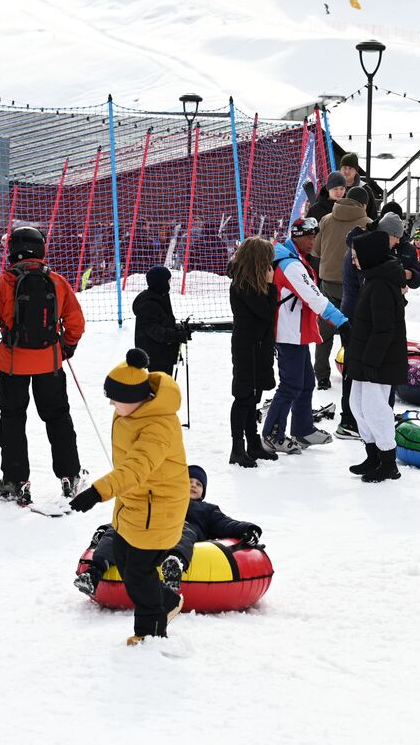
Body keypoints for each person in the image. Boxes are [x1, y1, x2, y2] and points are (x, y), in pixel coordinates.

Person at [67, 349, 190, 646]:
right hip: (135, 504)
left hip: (157, 509)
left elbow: (136, 467)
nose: (110, 403)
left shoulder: (157, 426)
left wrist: (98, 492)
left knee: (138, 574)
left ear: (135, 397)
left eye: (115, 398)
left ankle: (150, 630)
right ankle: (169, 599)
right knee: (122, 558)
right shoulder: (133, 410)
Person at [0, 226, 86, 504]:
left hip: (13, 366)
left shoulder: (5, 282)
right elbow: (76, 322)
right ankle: (70, 476)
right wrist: (68, 345)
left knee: (13, 421)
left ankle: (14, 482)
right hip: (50, 363)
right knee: (58, 418)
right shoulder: (56, 281)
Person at [77, 465, 262, 599]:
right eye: (188, 481)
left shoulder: (207, 510)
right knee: (127, 526)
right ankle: (94, 573)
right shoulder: (163, 501)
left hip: (181, 536)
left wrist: (248, 529)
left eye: (198, 484)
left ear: (203, 491)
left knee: (182, 529)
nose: (193, 485)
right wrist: (107, 528)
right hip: (154, 534)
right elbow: (138, 515)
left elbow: (227, 524)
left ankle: (174, 564)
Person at [261, 217, 348, 454]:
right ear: (295, 236)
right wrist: (342, 322)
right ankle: (272, 435)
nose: (312, 241)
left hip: (295, 332)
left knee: (306, 383)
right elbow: (315, 298)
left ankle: (303, 430)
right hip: (288, 333)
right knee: (291, 385)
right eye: (307, 236)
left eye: (314, 236)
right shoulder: (291, 265)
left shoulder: (293, 259)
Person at [343, 230, 408, 482]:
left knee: (375, 409)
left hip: (379, 361)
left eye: (357, 255)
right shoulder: (372, 278)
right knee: (356, 405)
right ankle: (373, 454)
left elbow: (384, 328)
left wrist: (370, 361)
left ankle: (388, 462)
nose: (353, 260)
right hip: (365, 358)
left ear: (369, 255)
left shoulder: (381, 283)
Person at [227, 238, 280, 468]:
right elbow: (266, 313)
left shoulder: (249, 283)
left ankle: (253, 443)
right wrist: (271, 286)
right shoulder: (244, 285)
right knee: (243, 397)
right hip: (247, 348)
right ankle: (237, 448)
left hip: (257, 347)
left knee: (253, 397)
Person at [312, 185, 370, 389]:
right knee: (351, 331)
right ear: (363, 205)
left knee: (324, 332)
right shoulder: (367, 223)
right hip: (353, 286)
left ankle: (321, 376)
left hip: (327, 283)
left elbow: (316, 251)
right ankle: (351, 375)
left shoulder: (326, 219)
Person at [132, 265, 188, 376]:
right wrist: (176, 335)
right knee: (160, 387)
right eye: (167, 281)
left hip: (163, 353)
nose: (169, 284)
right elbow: (156, 331)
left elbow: (164, 322)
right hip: (155, 355)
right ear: (160, 282)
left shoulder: (160, 296)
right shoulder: (149, 303)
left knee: (165, 386)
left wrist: (178, 328)